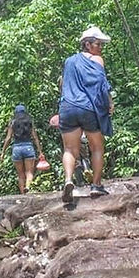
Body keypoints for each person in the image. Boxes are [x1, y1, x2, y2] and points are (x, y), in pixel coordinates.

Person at [57, 26, 114, 202]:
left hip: (67, 107)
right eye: (98, 44)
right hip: (87, 107)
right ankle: (96, 186)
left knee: (69, 149)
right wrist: (109, 103)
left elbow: (63, 85)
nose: (101, 47)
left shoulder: (69, 61)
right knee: (96, 146)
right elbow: (101, 85)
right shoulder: (97, 60)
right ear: (87, 44)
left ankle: (68, 181)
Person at [0, 105, 45, 194]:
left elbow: (8, 138)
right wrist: (40, 151)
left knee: (20, 175)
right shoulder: (29, 122)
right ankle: (28, 187)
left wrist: (3, 152)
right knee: (29, 173)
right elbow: (35, 137)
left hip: (17, 148)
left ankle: (22, 194)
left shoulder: (13, 122)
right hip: (28, 147)